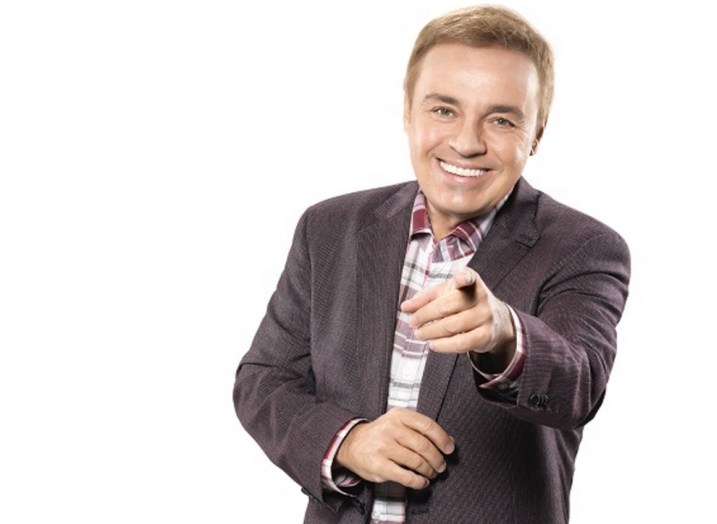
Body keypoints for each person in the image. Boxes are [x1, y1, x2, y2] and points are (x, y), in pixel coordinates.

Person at [234, 5, 630, 523]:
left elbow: (578, 387)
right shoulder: (327, 228)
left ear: (536, 133)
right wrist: (348, 442)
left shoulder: (586, 248)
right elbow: (264, 379)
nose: (466, 143)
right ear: (407, 112)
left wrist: (503, 335)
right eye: (444, 110)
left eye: (502, 120)